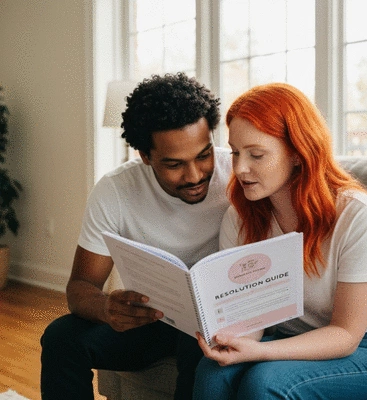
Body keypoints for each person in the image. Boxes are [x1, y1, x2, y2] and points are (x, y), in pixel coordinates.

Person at [193, 83, 367, 399]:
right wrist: (231, 338)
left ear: (298, 154)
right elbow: (250, 319)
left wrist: (259, 352)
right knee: (213, 373)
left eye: (256, 154)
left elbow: (345, 335)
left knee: (267, 381)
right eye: (235, 152)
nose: (240, 168)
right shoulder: (240, 216)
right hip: (288, 336)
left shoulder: (359, 215)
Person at [40, 72, 232, 400]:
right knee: (61, 337)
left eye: (203, 155)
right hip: (151, 320)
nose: (195, 175)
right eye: (174, 164)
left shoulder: (237, 176)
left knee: (198, 342)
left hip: (215, 322)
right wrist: (106, 309)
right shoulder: (115, 190)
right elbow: (80, 287)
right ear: (144, 156)